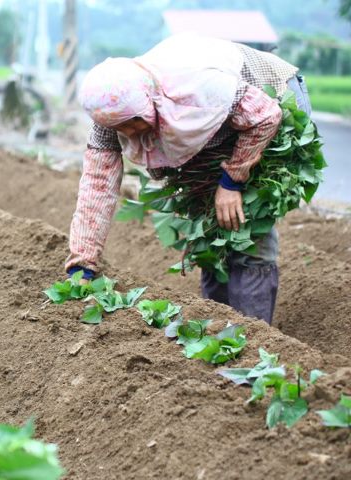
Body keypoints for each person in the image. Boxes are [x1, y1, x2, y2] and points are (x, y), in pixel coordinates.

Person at [65, 34, 312, 325]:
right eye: (121, 128)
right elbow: (96, 186)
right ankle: (218, 328)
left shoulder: (196, 87)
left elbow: (265, 117)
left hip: (270, 101)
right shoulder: (111, 113)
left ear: (148, 101)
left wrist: (232, 181)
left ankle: (254, 337)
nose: (130, 133)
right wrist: (82, 267)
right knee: (209, 236)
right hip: (216, 129)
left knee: (245, 228)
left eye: (134, 122)